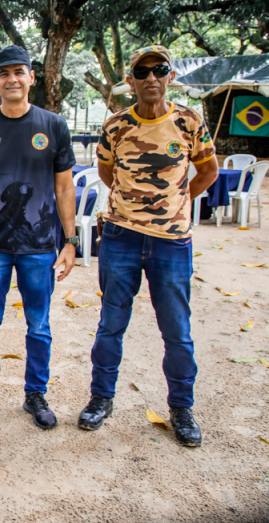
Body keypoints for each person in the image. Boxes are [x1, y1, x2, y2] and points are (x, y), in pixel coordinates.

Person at [77, 45, 218, 447]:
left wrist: (177, 201)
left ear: (170, 76)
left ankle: (182, 408)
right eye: (143, 71)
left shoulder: (189, 121)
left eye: (160, 70)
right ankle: (101, 399)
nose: (151, 77)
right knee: (111, 324)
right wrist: (134, 206)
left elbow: (208, 170)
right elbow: (107, 171)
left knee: (176, 329)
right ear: (131, 81)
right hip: (121, 237)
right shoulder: (116, 125)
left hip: (172, 242)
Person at [0, 45, 78, 428]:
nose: (11, 79)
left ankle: (35, 394)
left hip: (39, 247)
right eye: (4, 73)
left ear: (31, 78)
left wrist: (70, 242)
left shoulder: (53, 126)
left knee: (38, 324)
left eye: (18, 72)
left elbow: (64, 189)